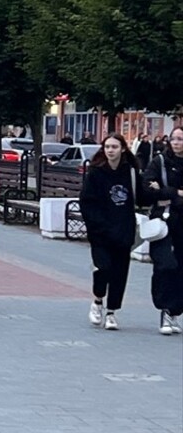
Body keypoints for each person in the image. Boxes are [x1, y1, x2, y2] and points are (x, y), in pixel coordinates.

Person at [79, 133, 154, 331]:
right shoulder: (95, 172)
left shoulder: (130, 172)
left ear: (122, 149)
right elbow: (86, 202)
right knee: (103, 267)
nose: (110, 150)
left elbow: (141, 198)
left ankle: (112, 312)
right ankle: (97, 301)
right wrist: (96, 225)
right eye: (107, 147)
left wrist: (158, 192)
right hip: (101, 231)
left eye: (114, 147)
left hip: (123, 229)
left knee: (119, 273)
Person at [145, 126, 183, 335]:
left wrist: (165, 193)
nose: (177, 143)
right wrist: (175, 192)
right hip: (164, 221)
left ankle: (174, 311)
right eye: (174, 139)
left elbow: (160, 190)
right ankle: (165, 309)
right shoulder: (159, 162)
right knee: (166, 264)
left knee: (181, 267)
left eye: (181, 139)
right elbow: (148, 189)